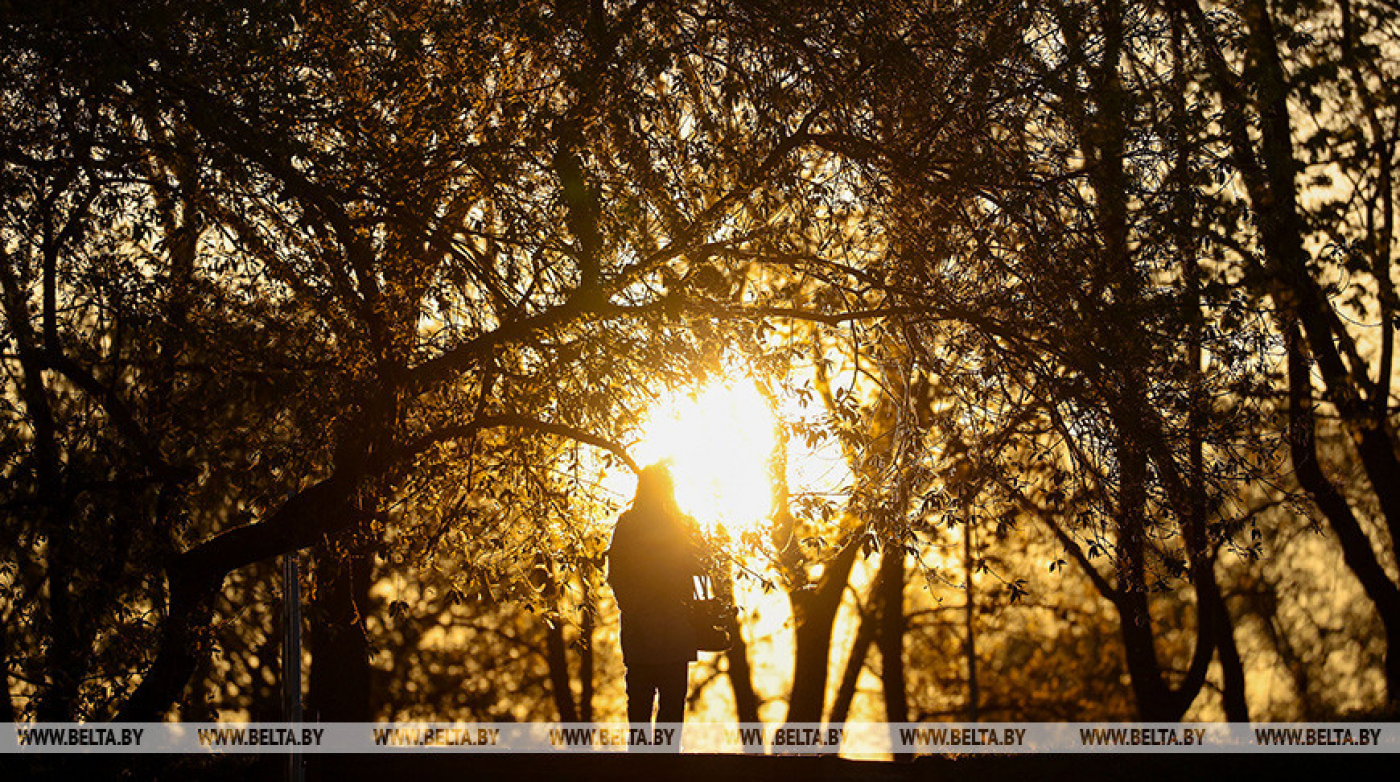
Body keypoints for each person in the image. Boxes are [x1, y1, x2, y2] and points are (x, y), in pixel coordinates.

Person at [607, 461, 704, 736]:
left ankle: (641, 769)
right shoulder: (681, 525)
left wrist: (634, 607)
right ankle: (666, 766)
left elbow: (617, 576)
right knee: (671, 705)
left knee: (639, 702)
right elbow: (698, 567)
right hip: (675, 628)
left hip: (641, 631)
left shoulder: (628, 525)